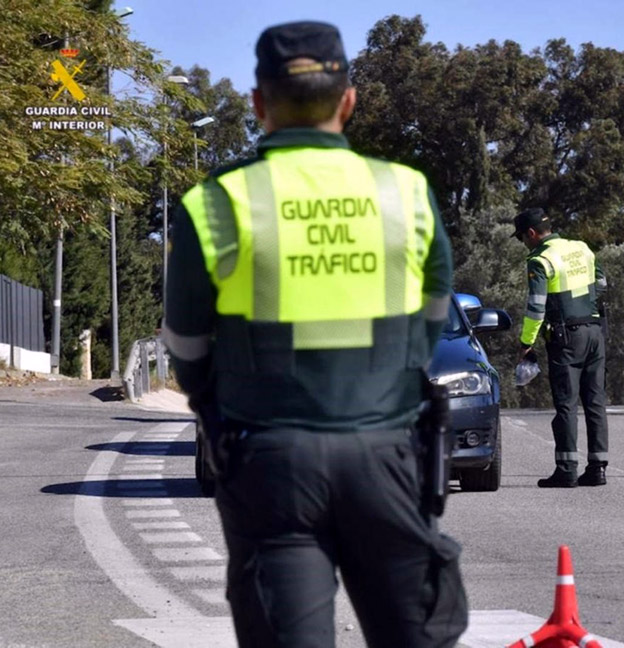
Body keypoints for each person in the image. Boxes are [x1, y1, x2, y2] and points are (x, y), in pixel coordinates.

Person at [163, 21, 467, 648]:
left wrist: (210, 405)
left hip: (271, 462)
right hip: (386, 449)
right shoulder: (404, 193)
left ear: (257, 103)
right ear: (348, 99)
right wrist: (395, 377)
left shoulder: (218, 202)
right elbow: (435, 312)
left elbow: (186, 340)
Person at [514, 208, 610, 488]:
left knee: (566, 404)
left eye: (522, 237)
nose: (524, 243)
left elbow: (536, 307)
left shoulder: (540, 260)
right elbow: (602, 283)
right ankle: (598, 469)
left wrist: (526, 342)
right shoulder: (581, 248)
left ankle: (567, 469)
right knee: (595, 401)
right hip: (594, 331)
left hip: (566, 336)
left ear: (531, 233)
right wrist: (582, 302)